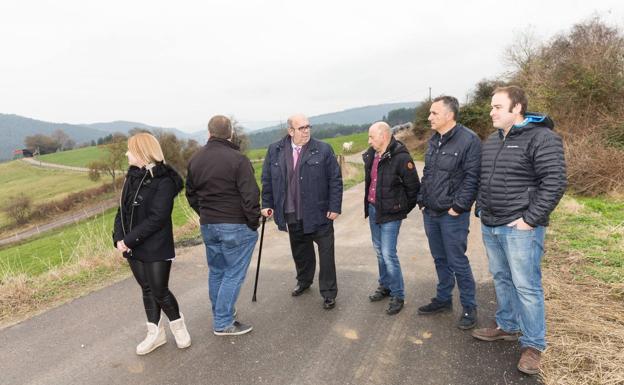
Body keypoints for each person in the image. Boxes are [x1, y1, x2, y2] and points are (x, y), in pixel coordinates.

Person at [471, 86, 567, 375]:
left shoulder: (542, 138)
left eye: (498, 107)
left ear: (517, 109)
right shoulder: (491, 140)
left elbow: (555, 182)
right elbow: (483, 179)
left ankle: (534, 344)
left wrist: (530, 219)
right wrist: (481, 210)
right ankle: (507, 326)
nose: (491, 112)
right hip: (491, 224)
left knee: (526, 286)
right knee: (502, 278)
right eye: (491, 107)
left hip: (520, 228)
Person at [112, 133, 191, 355]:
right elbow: (121, 211)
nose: (126, 153)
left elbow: (157, 218)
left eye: (130, 149)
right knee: (146, 289)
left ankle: (178, 326)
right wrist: (119, 238)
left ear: (142, 152)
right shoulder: (131, 178)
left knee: (159, 290)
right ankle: (155, 334)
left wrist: (128, 240)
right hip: (133, 246)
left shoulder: (164, 181)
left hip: (156, 245)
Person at [186, 115, 260, 336]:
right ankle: (223, 322)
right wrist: (253, 222)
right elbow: (250, 195)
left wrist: (205, 214)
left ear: (209, 133)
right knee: (233, 274)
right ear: (230, 133)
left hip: (209, 225)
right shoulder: (238, 159)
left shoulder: (195, 159)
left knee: (217, 271)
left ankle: (220, 312)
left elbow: (190, 194)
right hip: (235, 225)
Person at [261, 113, 343, 310]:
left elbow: (335, 179)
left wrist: (335, 206)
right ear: (290, 131)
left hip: (319, 212)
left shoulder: (322, 149)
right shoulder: (275, 150)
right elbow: (267, 180)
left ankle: (329, 293)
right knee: (300, 252)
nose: (306, 131)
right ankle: (304, 282)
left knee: (326, 254)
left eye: (308, 127)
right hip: (291, 212)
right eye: (301, 128)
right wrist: (266, 203)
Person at [417, 96, 481, 330]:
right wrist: (421, 201)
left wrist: (458, 207)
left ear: (449, 115)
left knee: (457, 261)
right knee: (440, 259)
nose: (429, 117)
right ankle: (443, 300)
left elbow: (473, 178)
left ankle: (469, 307)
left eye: (434, 113)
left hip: (452, 215)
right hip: (431, 213)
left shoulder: (469, 140)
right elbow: (428, 173)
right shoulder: (434, 140)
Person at [364, 122, 420, 315]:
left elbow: (414, 189)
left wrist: (399, 208)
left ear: (384, 136)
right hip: (373, 210)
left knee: (388, 254)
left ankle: (398, 294)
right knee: (379, 251)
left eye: (372, 137)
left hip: (390, 214)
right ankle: (385, 286)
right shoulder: (372, 155)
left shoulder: (401, 157)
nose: (369, 141)